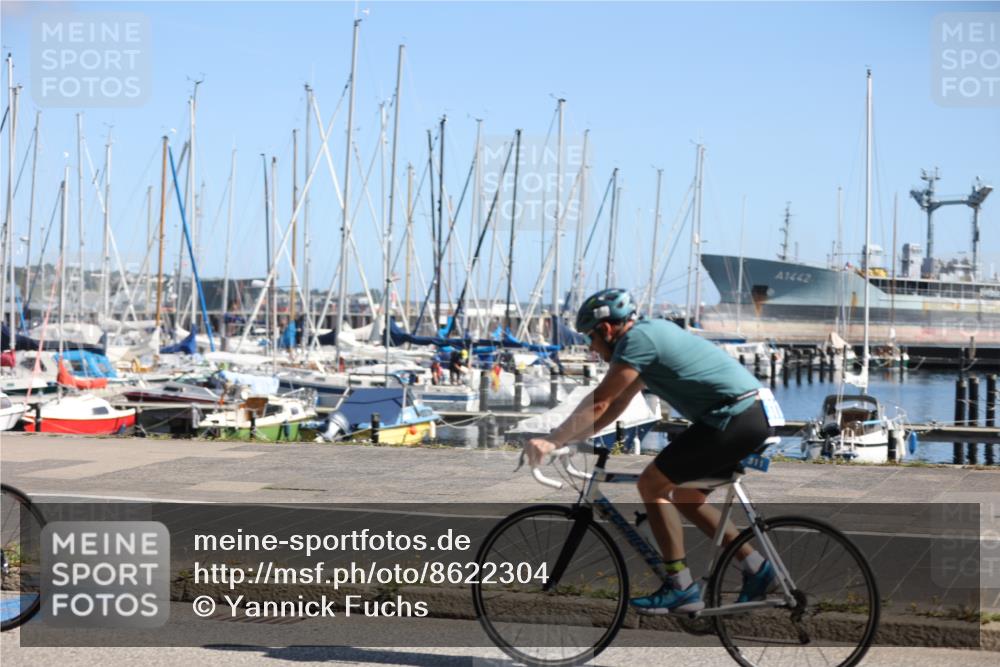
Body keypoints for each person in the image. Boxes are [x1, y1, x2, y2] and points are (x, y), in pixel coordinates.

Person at [525, 288, 778, 614]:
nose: (591, 347)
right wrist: (573, 440)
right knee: (687, 497)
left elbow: (600, 400)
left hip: (734, 417)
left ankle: (680, 586)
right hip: (747, 416)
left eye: (591, 337)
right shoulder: (646, 340)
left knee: (652, 484)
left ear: (607, 329)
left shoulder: (638, 342)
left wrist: (553, 440)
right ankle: (757, 568)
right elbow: (615, 406)